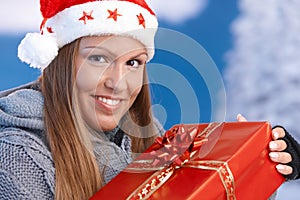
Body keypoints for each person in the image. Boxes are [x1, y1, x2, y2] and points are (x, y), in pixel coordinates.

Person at [0, 0, 299, 199]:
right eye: (99, 58)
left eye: (133, 63)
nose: (117, 83)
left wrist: (255, 167)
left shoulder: (143, 135)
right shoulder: (16, 159)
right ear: (58, 61)